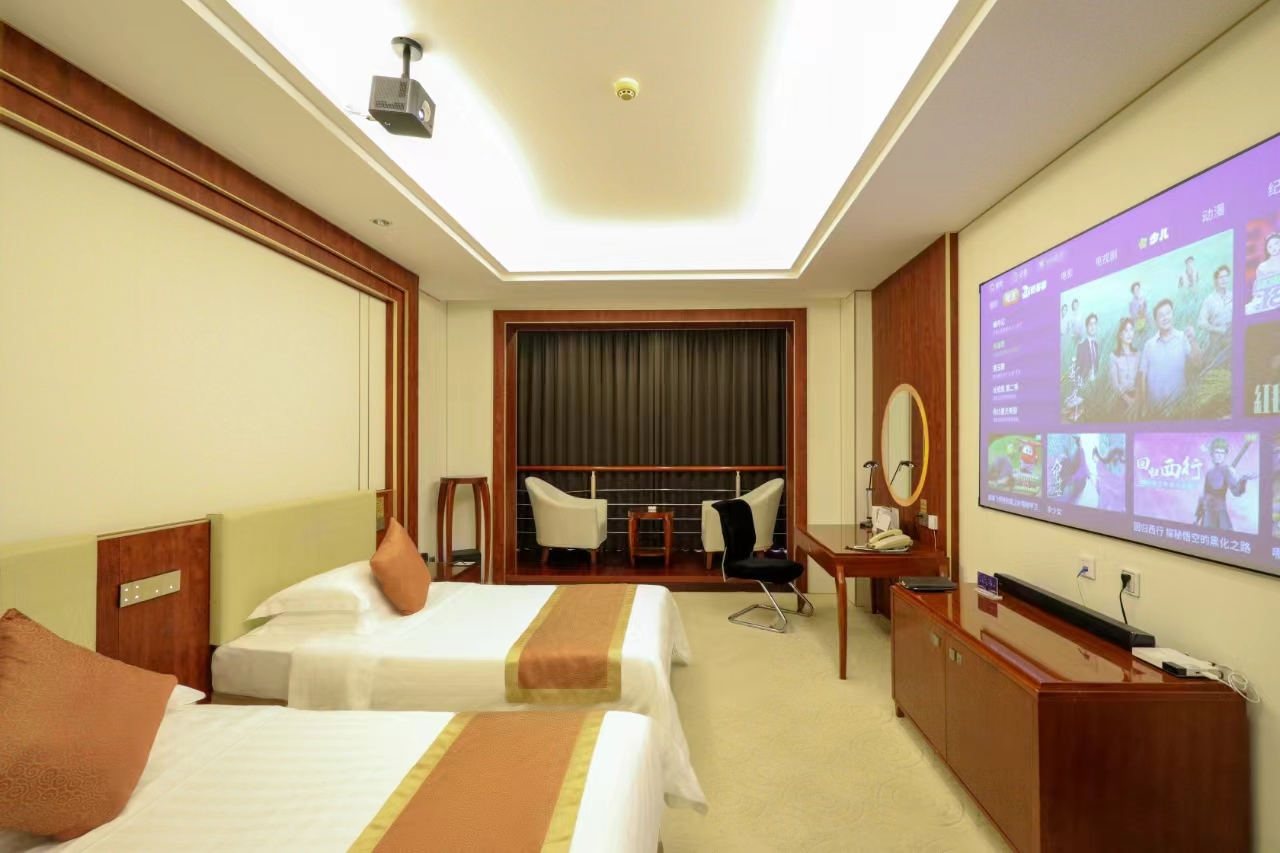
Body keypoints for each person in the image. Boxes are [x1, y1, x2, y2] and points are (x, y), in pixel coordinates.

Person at [1138, 298, 1201, 417]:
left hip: (1179, 407)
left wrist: (1193, 340)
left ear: (1173, 315)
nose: (1165, 318)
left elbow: (1197, 364)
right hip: (1155, 409)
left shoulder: (1183, 338)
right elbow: (1143, 377)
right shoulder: (1149, 345)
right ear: (1156, 321)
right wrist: (1144, 405)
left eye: (1168, 313)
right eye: (1161, 315)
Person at [1197, 437, 1255, 530]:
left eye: (1222, 453)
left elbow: (1236, 492)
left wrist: (1242, 480)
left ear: (1225, 455)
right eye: (1217, 452)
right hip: (1207, 517)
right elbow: (1204, 496)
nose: (1219, 456)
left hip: (1221, 516)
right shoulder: (1209, 473)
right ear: (1212, 454)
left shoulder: (1227, 471)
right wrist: (1198, 515)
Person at [1109, 318, 1139, 417]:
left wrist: (1136, 399)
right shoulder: (1114, 356)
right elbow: (1114, 384)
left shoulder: (1137, 354)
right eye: (1126, 330)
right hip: (1122, 399)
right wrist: (1128, 400)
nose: (1129, 334)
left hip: (1137, 398)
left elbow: (1140, 379)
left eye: (1131, 330)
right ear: (1120, 334)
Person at [1197, 264, 1232, 348]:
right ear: (1216, 280)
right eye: (1221, 277)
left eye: (1226, 276)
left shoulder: (1234, 296)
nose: (1224, 280)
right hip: (1217, 344)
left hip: (1233, 340)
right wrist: (1218, 329)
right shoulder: (1209, 301)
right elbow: (1201, 323)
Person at [1093, 445, 1126, 512]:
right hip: (1108, 495)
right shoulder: (1104, 467)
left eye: (1119, 455)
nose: (1117, 457)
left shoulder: (1122, 465)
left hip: (1117, 495)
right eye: (1115, 455)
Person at [1075, 313, 1101, 383]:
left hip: (1095, 383)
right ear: (1086, 327)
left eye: (1094, 324)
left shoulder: (1096, 345)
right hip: (1084, 383)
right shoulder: (1081, 346)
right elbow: (1078, 369)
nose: (1093, 327)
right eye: (1090, 324)